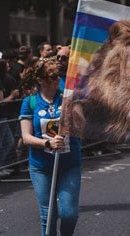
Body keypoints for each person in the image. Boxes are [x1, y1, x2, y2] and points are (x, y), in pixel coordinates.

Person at [19, 57, 81, 236]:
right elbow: (26, 137)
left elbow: (81, 128)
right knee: (49, 215)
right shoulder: (30, 103)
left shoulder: (68, 99)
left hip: (69, 163)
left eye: (58, 75)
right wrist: (48, 142)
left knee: (69, 214)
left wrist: (73, 118)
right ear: (41, 80)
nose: (57, 80)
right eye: (52, 76)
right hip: (41, 166)